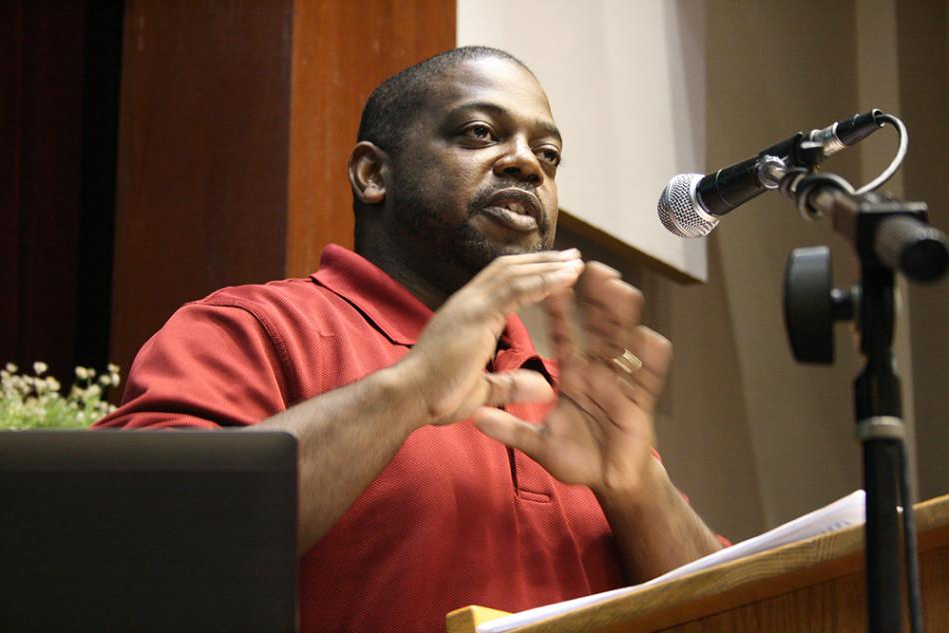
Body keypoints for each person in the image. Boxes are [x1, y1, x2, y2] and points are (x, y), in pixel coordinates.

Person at [96, 46, 724, 632]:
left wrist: (635, 483)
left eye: (549, 154)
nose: (527, 162)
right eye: (480, 133)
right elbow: (140, 546)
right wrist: (410, 387)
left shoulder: (575, 395)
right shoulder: (252, 328)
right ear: (373, 173)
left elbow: (747, 609)